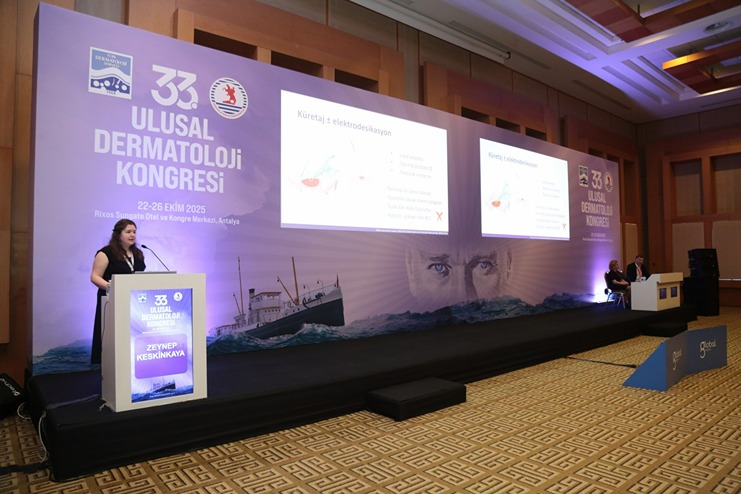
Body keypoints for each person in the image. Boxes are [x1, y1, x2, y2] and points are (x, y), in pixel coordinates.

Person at [89, 219, 146, 364]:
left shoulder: (138, 253)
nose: (132, 235)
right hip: (111, 299)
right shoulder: (105, 253)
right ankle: (109, 364)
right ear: (118, 234)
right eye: (128, 232)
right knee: (113, 334)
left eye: (134, 232)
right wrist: (114, 288)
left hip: (134, 301)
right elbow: (95, 277)